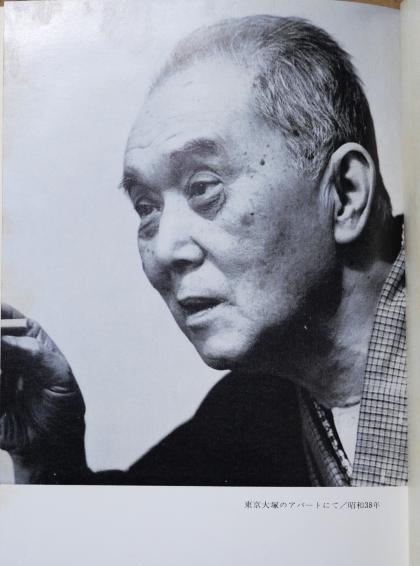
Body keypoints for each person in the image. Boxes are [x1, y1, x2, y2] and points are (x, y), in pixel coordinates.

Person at [0, 15, 406, 486]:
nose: (164, 251)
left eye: (203, 187)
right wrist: (49, 451)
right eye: (146, 208)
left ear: (345, 194)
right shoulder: (247, 411)